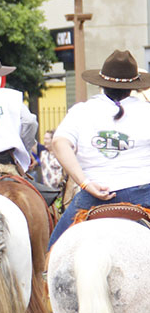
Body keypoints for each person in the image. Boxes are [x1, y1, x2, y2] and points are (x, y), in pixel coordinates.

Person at [48, 50, 150, 248]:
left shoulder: (81, 111)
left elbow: (59, 143)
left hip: (92, 197)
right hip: (144, 193)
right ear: (133, 86)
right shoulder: (147, 112)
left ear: (101, 84)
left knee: (52, 255)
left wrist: (86, 183)